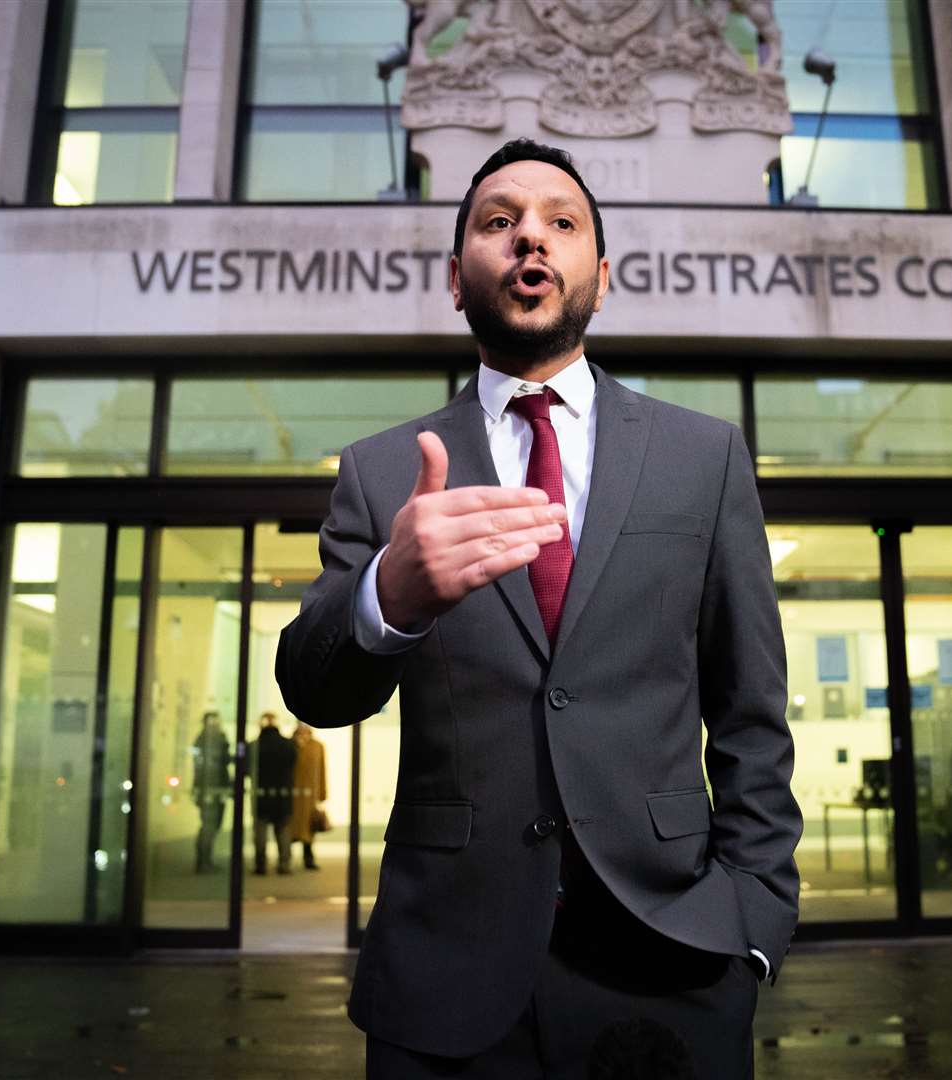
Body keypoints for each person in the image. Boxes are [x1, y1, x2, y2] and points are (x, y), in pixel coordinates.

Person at [277, 138, 800, 1079]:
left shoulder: (703, 457)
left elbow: (750, 707)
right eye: (498, 221)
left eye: (561, 223)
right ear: (455, 276)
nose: (531, 239)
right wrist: (385, 599)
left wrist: (754, 916)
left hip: (673, 957)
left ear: (599, 273)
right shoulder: (385, 470)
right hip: (446, 971)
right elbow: (313, 690)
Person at [248, 712, 298, 875]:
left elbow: (248, 769)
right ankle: (284, 863)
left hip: (261, 795)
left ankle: (260, 864)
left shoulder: (255, 745)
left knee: (260, 831)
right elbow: (294, 765)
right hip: (282, 795)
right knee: (283, 830)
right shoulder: (288, 744)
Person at [191, 710, 232, 874]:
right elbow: (211, 765)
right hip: (211, 789)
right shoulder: (210, 740)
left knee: (211, 825)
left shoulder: (208, 739)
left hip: (211, 789)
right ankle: (203, 862)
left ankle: (205, 860)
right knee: (209, 825)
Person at [287, 721, 327, 871]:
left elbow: (322, 770)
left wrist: (323, 793)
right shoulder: (289, 744)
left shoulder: (317, 746)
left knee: (309, 829)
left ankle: (308, 858)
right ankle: (286, 859)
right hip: (293, 794)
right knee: (290, 827)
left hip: (310, 796)